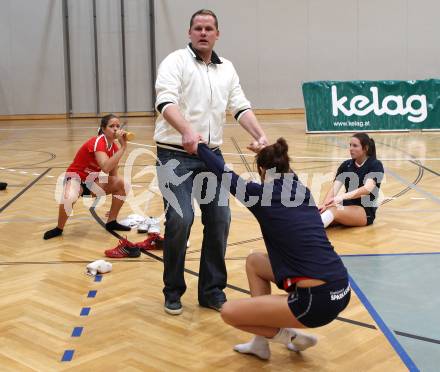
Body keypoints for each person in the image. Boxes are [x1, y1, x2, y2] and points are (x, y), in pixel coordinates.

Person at [154, 9, 268, 315]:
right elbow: (165, 101)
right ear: (189, 33)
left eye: (209, 28)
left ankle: (212, 290)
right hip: (173, 153)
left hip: (211, 157)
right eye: (198, 28)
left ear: (217, 34)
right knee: (180, 220)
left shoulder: (227, 69)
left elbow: (240, 106)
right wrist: (187, 131)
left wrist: (261, 136)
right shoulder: (175, 61)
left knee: (220, 219)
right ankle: (173, 290)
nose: (203, 33)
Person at [196, 138, 350, 360]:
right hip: (341, 287)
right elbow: (286, 172)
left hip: (315, 303)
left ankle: (292, 338)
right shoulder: (302, 190)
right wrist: (267, 152)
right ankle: (260, 344)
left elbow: (224, 174)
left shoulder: (259, 196)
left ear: (261, 169)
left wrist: (199, 148)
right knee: (255, 262)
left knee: (229, 313)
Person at [43, 114, 131, 240]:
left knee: (123, 184)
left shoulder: (114, 148)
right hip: (75, 178)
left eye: (118, 126)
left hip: (91, 182)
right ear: (103, 128)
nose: (116, 129)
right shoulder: (98, 142)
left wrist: (115, 193)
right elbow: (105, 167)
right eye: (112, 126)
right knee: (70, 196)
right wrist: (124, 148)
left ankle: (111, 222)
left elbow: (112, 175)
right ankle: (59, 228)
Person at [319, 133, 384, 228]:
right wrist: (324, 204)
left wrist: (341, 197)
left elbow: (367, 189)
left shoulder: (375, 164)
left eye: (355, 146)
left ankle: (310, 233)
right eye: (350, 145)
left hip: (364, 211)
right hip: (346, 206)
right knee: (318, 212)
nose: (351, 149)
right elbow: (334, 188)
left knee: (334, 210)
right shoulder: (346, 165)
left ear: (365, 148)